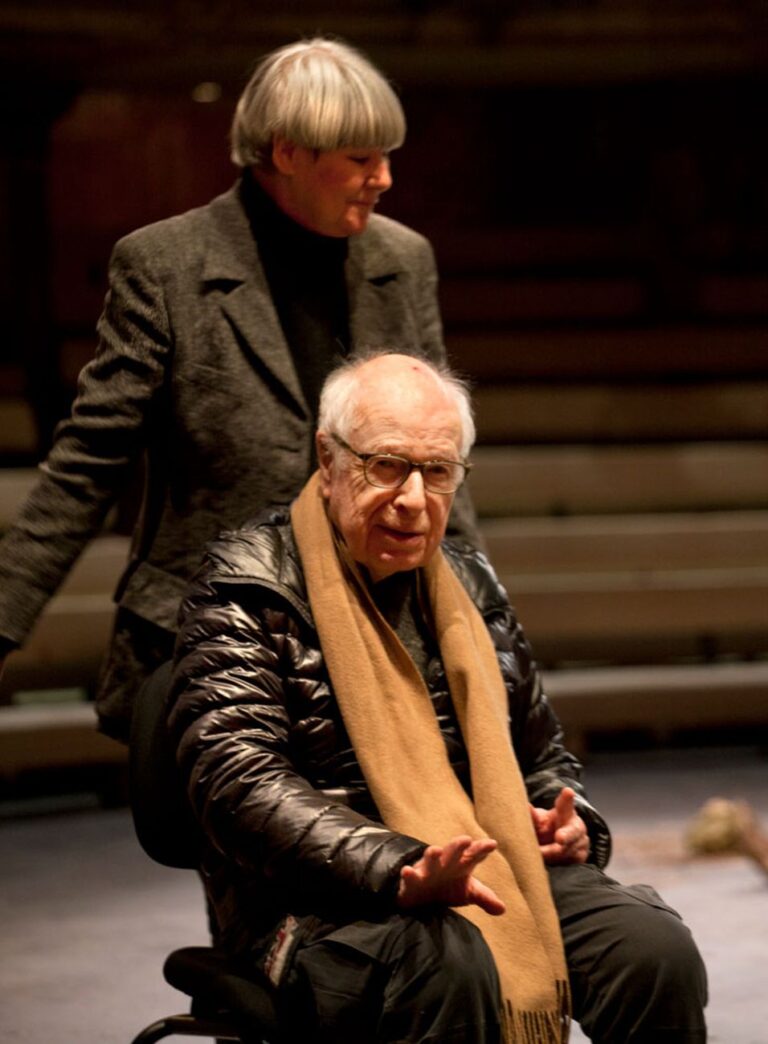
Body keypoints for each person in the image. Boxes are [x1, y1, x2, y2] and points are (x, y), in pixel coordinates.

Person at [167, 351, 708, 1043]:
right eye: (388, 465)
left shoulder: (470, 584)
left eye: (439, 471)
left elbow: (540, 757)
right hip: (310, 902)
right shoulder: (246, 588)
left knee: (650, 950)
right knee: (450, 963)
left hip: (486, 863)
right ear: (328, 458)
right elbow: (238, 786)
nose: (415, 499)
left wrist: (567, 823)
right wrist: (399, 866)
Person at [0, 37, 479, 741]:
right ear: (287, 154)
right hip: (211, 639)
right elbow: (86, 467)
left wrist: (483, 622)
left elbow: (440, 460)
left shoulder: (402, 260)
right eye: (361, 160)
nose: (383, 179)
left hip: (374, 626)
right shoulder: (163, 265)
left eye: (386, 157)